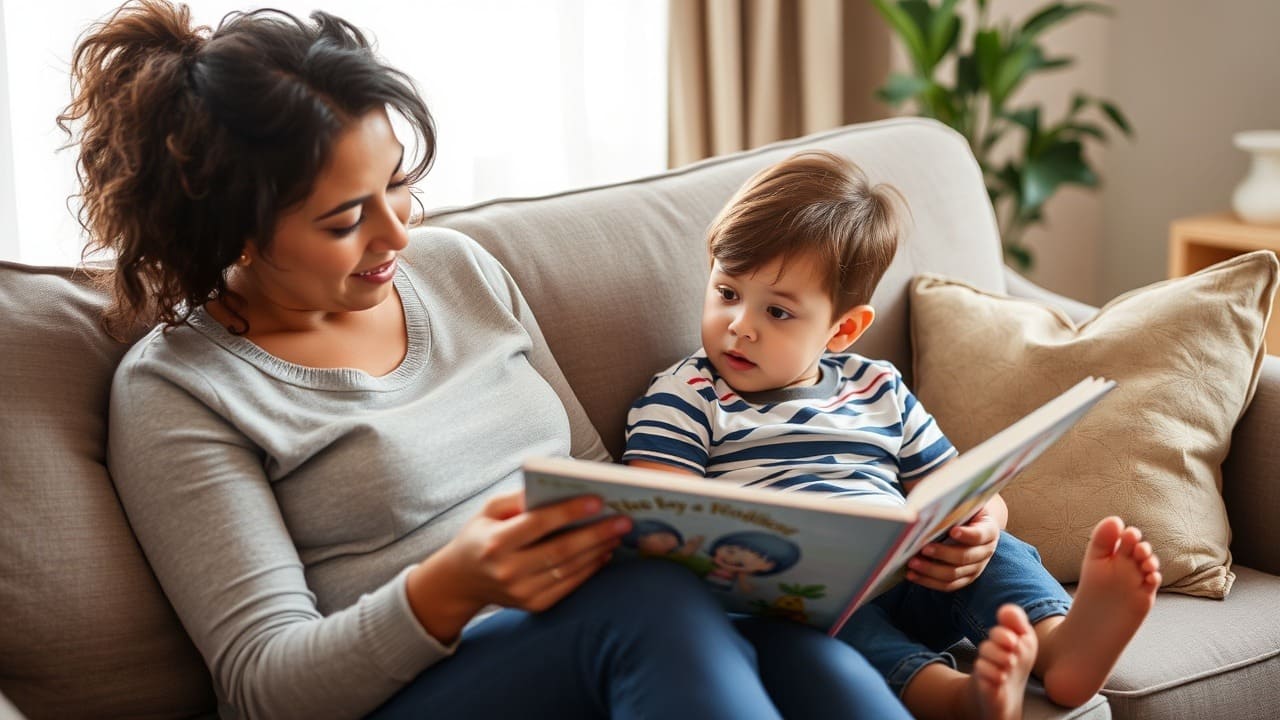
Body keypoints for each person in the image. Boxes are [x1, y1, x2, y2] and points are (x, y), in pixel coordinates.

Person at [63, 2, 912, 718]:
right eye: (344, 219)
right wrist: (450, 588)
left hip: (609, 631)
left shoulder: (459, 269)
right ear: (235, 231)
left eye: (398, 183)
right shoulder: (179, 391)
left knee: (814, 656)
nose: (399, 233)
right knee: (648, 604)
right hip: (423, 683)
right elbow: (261, 686)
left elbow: (591, 471)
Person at [623, 150, 1163, 720]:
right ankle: (952, 696)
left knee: (1000, 551)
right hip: (795, 595)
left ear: (843, 328)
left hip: (908, 575)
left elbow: (959, 486)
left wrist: (980, 527)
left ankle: (1060, 646)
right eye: (727, 293)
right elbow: (664, 516)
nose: (740, 325)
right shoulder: (687, 394)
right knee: (825, 624)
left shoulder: (875, 386)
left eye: (777, 312)